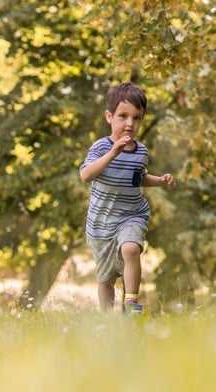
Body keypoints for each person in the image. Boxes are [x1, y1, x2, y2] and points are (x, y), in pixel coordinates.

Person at [80, 82, 176, 314]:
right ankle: (107, 319)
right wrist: (113, 153)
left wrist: (159, 181)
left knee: (131, 249)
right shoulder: (101, 147)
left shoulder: (141, 151)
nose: (130, 124)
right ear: (109, 116)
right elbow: (85, 174)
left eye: (137, 118)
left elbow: (138, 178)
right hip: (101, 224)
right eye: (123, 116)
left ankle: (132, 302)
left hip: (131, 215)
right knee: (105, 280)